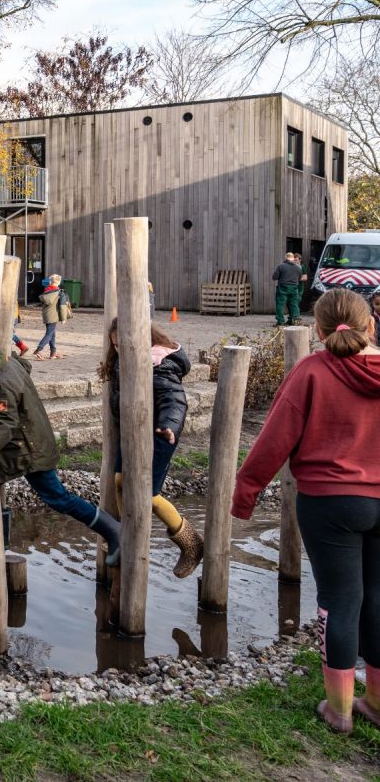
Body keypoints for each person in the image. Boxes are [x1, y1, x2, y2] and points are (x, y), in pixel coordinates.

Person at [231, 288, 380, 734]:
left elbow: (275, 438)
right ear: (370, 323)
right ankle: (375, 702)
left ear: (317, 330)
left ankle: (339, 711)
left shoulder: (312, 371)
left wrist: (246, 492)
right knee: (377, 598)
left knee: (340, 601)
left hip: (330, 503)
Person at [99, 318, 202, 578]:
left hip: (159, 434)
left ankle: (191, 543)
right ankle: (126, 537)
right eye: (115, 345)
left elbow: (174, 400)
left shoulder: (159, 363)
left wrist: (169, 425)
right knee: (121, 480)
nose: (120, 349)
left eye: (123, 344)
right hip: (134, 433)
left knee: (146, 495)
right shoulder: (124, 359)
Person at [0, 353, 121, 562]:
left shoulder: (1, 383)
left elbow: (5, 424)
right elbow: (26, 365)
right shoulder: (10, 364)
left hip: (30, 449)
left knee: (58, 498)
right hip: (31, 442)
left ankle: (111, 528)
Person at [35, 274, 66, 359]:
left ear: (50, 282)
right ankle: (39, 349)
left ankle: (53, 352)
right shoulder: (60, 292)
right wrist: (63, 318)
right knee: (49, 333)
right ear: (59, 282)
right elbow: (62, 306)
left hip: (46, 314)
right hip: (53, 315)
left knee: (52, 334)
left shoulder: (46, 290)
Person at [273, 251, 303, 326]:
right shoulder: (298, 267)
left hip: (283, 288)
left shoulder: (281, 266)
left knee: (280, 304)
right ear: (293, 258)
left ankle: (280, 322)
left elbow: (274, 277)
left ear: (286, 258)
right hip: (294, 288)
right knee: (294, 304)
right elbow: (299, 278)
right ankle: (294, 320)